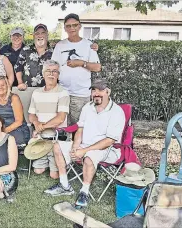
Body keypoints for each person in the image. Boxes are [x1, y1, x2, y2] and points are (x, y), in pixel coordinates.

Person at [44, 79, 125, 208]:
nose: (96, 93)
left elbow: (109, 141)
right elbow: (80, 128)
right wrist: (76, 145)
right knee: (57, 146)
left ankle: (84, 192)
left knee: (89, 157)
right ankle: (65, 185)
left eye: (100, 90)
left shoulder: (117, 112)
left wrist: (84, 151)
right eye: (94, 90)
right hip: (84, 145)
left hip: (107, 150)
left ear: (108, 92)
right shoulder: (88, 107)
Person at [51, 13, 102, 126]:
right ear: (64, 28)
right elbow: (53, 67)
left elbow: (97, 67)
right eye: (68, 26)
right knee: (62, 126)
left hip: (81, 94)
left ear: (80, 26)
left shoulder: (88, 45)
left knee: (79, 127)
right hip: (62, 92)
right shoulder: (60, 45)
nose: (72, 28)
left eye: (75, 25)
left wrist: (81, 63)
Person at [28, 60, 69, 177]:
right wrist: (36, 123)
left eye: (55, 71)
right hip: (41, 138)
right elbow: (31, 115)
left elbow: (60, 118)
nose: (51, 74)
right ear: (43, 74)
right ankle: (45, 158)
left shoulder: (63, 92)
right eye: (48, 71)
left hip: (57, 138)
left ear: (58, 75)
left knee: (54, 175)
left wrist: (42, 127)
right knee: (38, 171)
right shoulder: (36, 92)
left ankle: (55, 158)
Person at [0, 76, 30, 145]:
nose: (0, 87)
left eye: (3, 85)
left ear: (7, 86)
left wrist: (2, 132)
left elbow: (19, 122)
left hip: (15, 128)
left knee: (10, 141)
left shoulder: (14, 98)